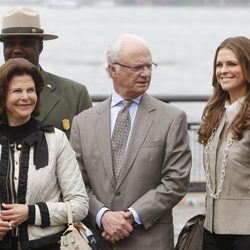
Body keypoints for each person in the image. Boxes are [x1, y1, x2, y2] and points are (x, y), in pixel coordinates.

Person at [70, 33, 192, 250]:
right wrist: (102, 216)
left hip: (150, 240)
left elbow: (176, 181)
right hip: (98, 240)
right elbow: (76, 184)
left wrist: (131, 216)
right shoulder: (83, 122)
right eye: (137, 67)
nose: (145, 73)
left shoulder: (172, 118)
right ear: (112, 70)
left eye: (149, 66)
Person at [0, 58, 89, 250]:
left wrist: (31, 213)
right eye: (17, 91)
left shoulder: (56, 139)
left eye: (30, 90)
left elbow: (80, 205)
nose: (26, 97)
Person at [0, 7, 92, 138]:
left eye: (25, 43)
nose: (17, 50)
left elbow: (89, 149)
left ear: (40, 47)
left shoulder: (74, 95)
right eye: (10, 44)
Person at [198, 36, 250, 250]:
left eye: (231, 64)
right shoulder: (215, 114)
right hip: (211, 232)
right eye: (219, 65)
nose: (223, 70)